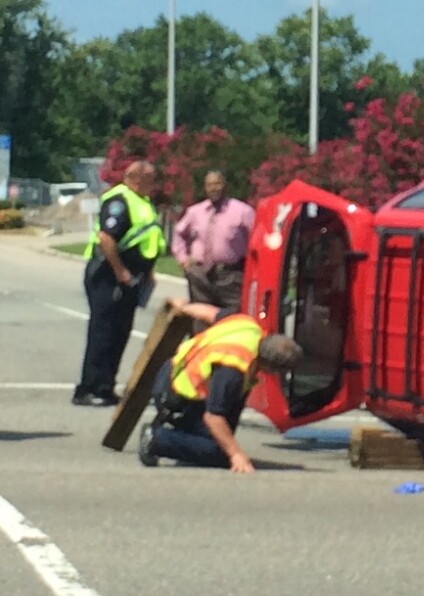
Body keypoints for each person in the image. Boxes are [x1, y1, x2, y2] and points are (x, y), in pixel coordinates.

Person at [138, 298, 303, 473]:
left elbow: (209, 312)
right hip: (175, 397)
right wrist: (235, 454)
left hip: (172, 373)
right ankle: (157, 439)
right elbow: (213, 417)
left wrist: (184, 307)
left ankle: (188, 436)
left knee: (224, 430)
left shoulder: (247, 326)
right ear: (270, 366)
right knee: (219, 453)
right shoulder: (233, 369)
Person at [73, 161, 167, 407]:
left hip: (131, 277)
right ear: (137, 178)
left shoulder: (142, 201)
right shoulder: (119, 200)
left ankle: (106, 386)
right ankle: (89, 388)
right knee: (103, 332)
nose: (154, 185)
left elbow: (144, 239)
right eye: (151, 180)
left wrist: (148, 271)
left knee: (120, 332)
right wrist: (120, 271)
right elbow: (106, 238)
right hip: (108, 276)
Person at [172, 170, 254, 331]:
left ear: (225, 185)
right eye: (209, 184)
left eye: (217, 183)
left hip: (230, 275)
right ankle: (201, 346)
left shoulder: (243, 211)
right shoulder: (195, 211)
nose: (213, 188)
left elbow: (256, 240)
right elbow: (179, 234)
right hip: (200, 274)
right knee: (200, 320)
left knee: (231, 320)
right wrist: (183, 259)